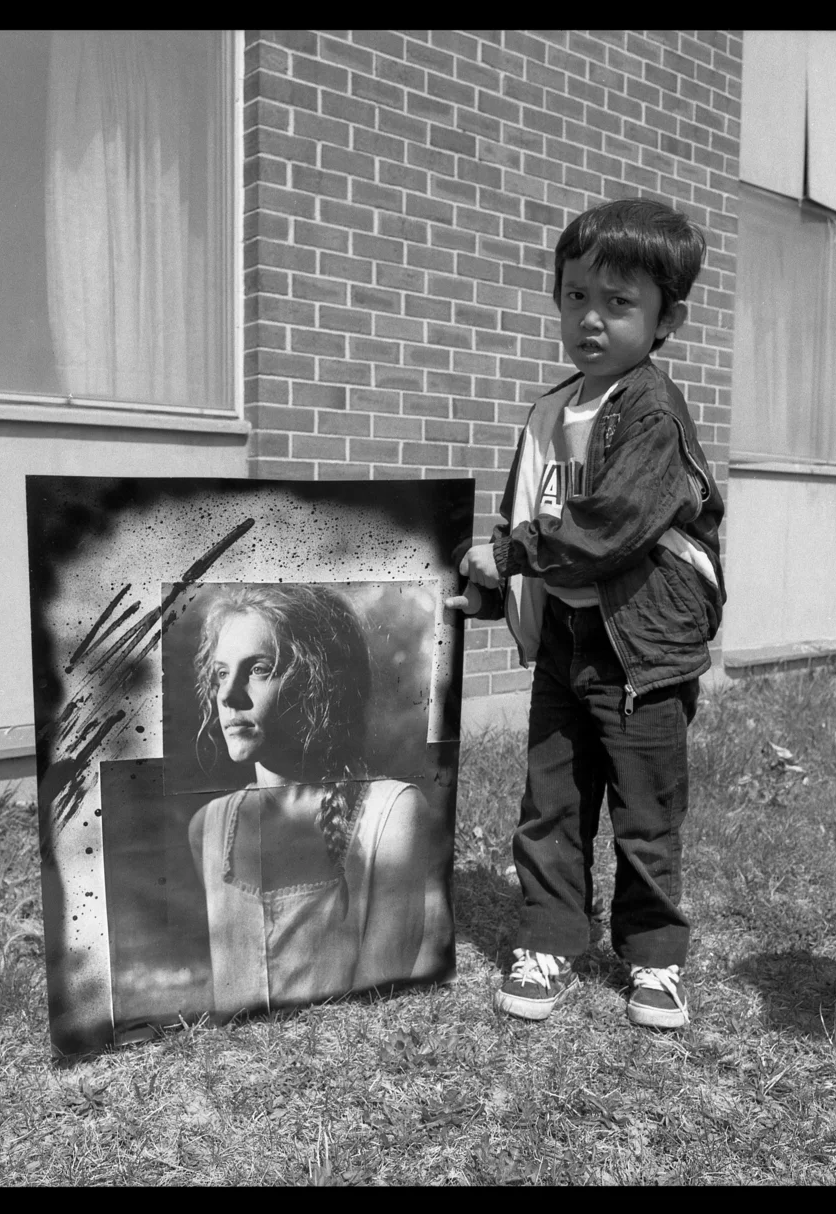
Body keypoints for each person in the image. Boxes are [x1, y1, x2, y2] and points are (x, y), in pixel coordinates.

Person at [446, 198, 725, 1029]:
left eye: (618, 302)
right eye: (575, 297)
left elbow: (611, 526)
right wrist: (494, 585)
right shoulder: (549, 410)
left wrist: (518, 554)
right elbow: (522, 514)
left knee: (645, 814)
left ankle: (654, 958)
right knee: (554, 801)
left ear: (667, 317)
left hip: (642, 647)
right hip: (569, 641)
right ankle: (550, 938)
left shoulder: (651, 411)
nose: (591, 319)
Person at [186, 585, 447, 1016]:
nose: (230, 696)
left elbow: (380, 1002)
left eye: (259, 669)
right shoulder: (208, 828)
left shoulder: (389, 812)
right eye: (220, 674)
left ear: (317, 679)